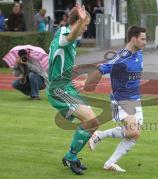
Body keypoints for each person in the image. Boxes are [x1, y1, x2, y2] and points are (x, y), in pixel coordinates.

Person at [80, 26, 147, 172]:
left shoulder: (139, 53)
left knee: (134, 135)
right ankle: (98, 136)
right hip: (121, 101)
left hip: (135, 100)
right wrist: (85, 83)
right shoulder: (120, 58)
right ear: (133, 39)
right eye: (142, 39)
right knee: (133, 131)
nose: (145, 42)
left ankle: (109, 162)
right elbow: (100, 69)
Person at [46, 4, 99, 175]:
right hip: (59, 90)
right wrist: (80, 21)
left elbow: (65, 59)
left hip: (66, 86)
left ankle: (71, 156)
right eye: (85, 24)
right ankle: (71, 157)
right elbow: (68, 38)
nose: (86, 27)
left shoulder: (70, 38)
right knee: (91, 121)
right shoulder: (64, 32)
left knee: (92, 123)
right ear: (77, 21)